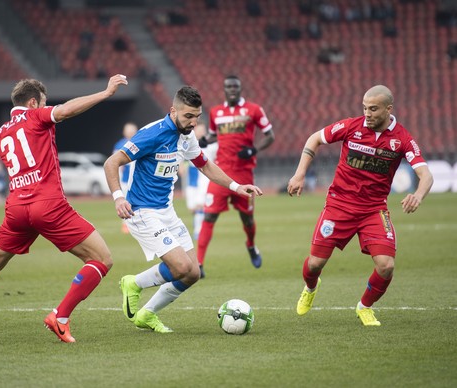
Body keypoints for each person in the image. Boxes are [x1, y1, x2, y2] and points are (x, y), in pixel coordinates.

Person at [0, 74, 129, 344]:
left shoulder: (1, 132)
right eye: (45, 102)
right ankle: (60, 317)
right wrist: (105, 93)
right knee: (102, 259)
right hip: (47, 205)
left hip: (16, 210)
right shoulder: (37, 116)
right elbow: (66, 110)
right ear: (34, 102)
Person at [104, 86, 263, 333]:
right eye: (188, 115)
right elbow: (112, 162)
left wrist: (236, 186)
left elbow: (205, 165)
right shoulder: (152, 134)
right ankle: (133, 283)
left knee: (192, 273)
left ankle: (147, 314)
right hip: (142, 211)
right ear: (173, 111)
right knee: (180, 268)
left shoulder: (186, 136)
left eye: (197, 116)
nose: (193, 121)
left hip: (166, 211)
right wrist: (118, 197)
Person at [287, 85, 433, 326]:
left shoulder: (403, 139)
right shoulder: (350, 126)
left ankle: (364, 307)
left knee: (386, 266)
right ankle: (311, 288)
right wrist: (300, 173)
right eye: (365, 108)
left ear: (389, 109)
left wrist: (418, 194)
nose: (367, 113)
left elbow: (426, 175)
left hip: (373, 209)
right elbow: (315, 138)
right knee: (314, 264)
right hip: (339, 205)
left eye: (373, 109)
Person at [196, 75, 275, 277]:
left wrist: (253, 150)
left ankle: (250, 245)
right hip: (220, 173)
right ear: (224, 89)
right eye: (228, 86)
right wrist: (206, 140)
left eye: (235, 86)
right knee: (209, 215)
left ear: (240, 89)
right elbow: (214, 134)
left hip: (243, 173)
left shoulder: (254, 110)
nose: (232, 89)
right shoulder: (216, 112)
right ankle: (199, 263)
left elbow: (270, 136)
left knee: (247, 219)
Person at [179, 121, 218, 240]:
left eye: (203, 130)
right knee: (192, 207)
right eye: (199, 130)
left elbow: (217, 158)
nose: (201, 132)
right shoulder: (187, 143)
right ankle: (199, 228)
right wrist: (181, 167)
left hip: (204, 178)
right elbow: (181, 158)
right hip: (191, 179)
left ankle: (198, 231)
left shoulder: (211, 145)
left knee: (200, 205)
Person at [112, 122, 138, 233]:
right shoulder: (119, 145)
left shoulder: (139, 142)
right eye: (128, 130)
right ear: (124, 132)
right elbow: (114, 163)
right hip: (125, 179)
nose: (130, 132)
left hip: (138, 180)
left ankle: (137, 223)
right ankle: (126, 224)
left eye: (132, 130)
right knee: (125, 202)